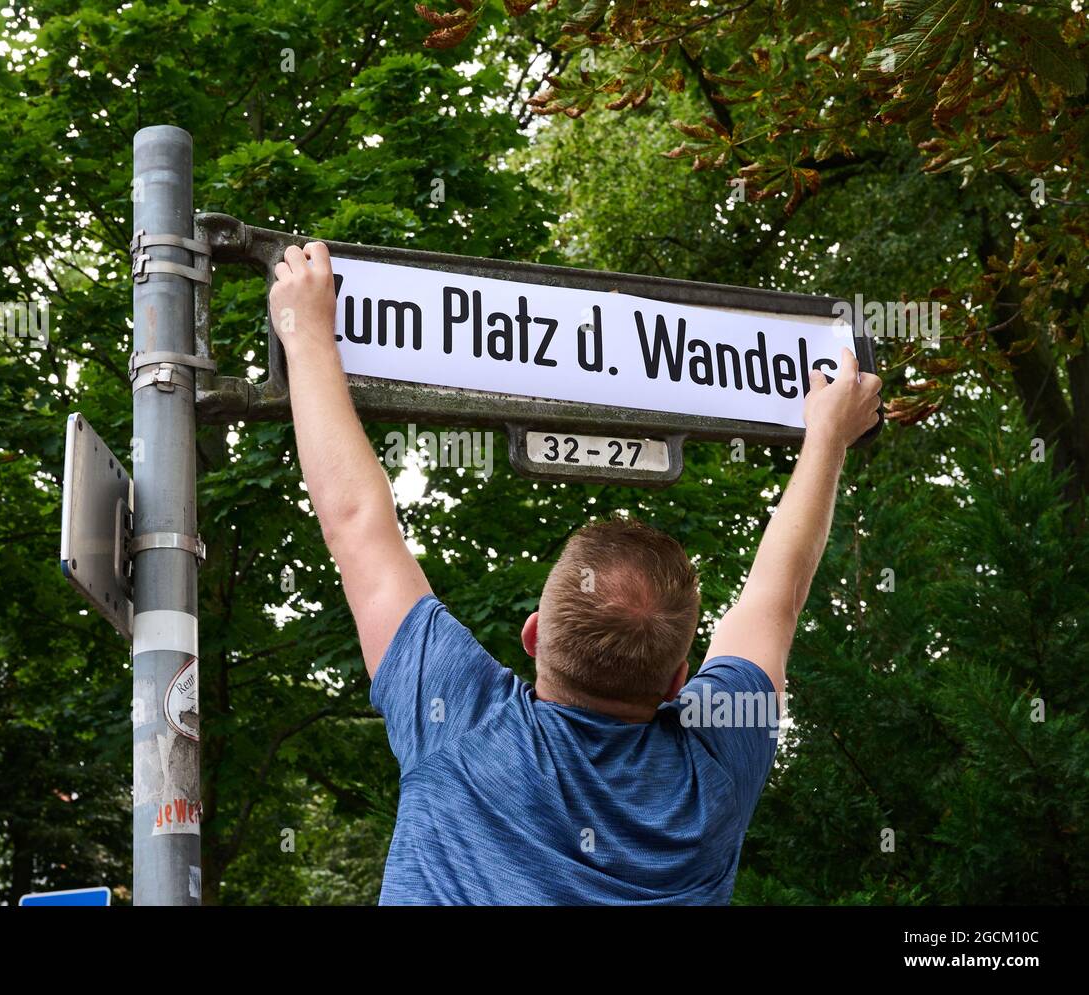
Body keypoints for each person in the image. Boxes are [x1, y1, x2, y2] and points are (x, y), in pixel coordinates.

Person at [269, 241, 883, 905]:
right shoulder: (715, 768)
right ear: (681, 680)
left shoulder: (463, 724)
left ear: (534, 634)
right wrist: (828, 436)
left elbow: (358, 520)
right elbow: (776, 599)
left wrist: (307, 336)